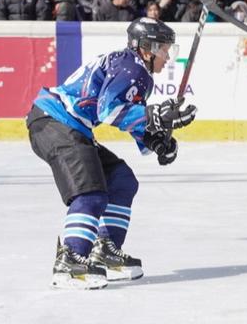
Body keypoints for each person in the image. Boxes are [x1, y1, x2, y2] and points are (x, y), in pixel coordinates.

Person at [26, 18, 197, 289]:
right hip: (55, 121)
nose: (168, 57)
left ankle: (105, 249)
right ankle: (71, 260)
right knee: (91, 192)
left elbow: (126, 114)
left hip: (68, 125)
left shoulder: (133, 68)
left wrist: (156, 139)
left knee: (121, 180)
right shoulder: (132, 67)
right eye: (164, 49)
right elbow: (109, 111)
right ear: (146, 48)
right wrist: (155, 115)